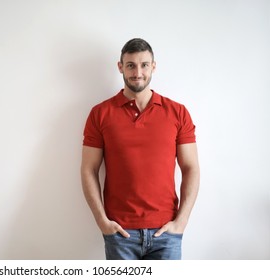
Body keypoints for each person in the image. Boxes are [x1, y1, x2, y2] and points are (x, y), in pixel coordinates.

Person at [81, 38, 200, 260]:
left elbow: (191, 167)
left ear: (153, 66)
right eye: (130, 65)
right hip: (120, 235)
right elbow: (89, 169)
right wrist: (102, 221)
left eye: (144, 64)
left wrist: (181, 221)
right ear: (120, 67)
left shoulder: (177, 113)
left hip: (166, 233)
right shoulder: (100, 114)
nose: (138, 72)